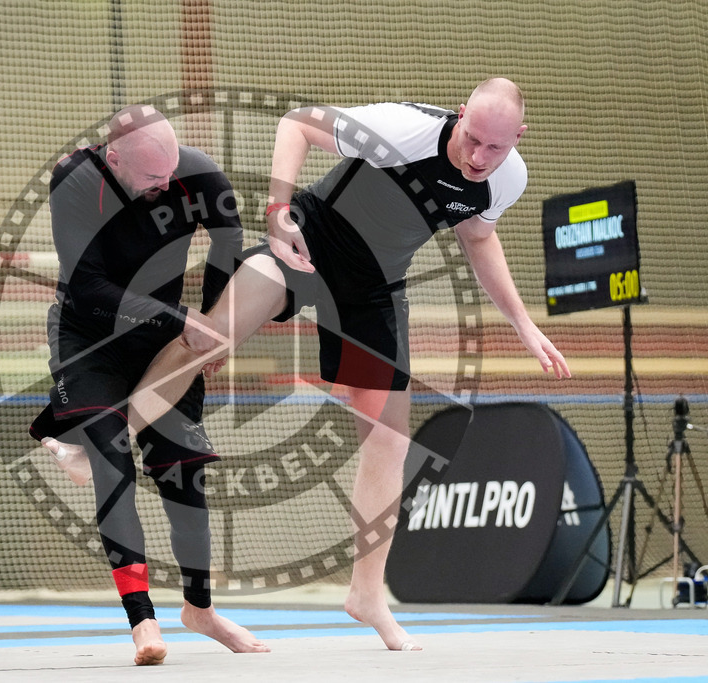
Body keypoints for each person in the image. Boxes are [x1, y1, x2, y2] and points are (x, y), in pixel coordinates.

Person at [127, 78, 572, 651]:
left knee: (389, 439)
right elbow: (297, 121)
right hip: (310, 241)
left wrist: (523, 323)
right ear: (460, 115)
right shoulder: (402, 129)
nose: (479, 157)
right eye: (473, 139)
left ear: (519, 138)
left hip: (375, 288)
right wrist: (279, 211)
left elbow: (479, 239)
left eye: (497, 147)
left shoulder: (507, 179)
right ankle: (103, 438)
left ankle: (366, 594)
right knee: (209, 334)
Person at [28, 104, 270, 665]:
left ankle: (201, 610)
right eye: (150, 179)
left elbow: (229, 244)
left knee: (183, 475)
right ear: (114, 160)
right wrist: (182, 322)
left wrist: (215, 324)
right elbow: (87, 286)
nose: (165, 186)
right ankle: (143, 623)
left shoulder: (200, 174)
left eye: (170, 173)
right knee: (112, 465)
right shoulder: (77, 180)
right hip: (88, 339)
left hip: (160, 346)